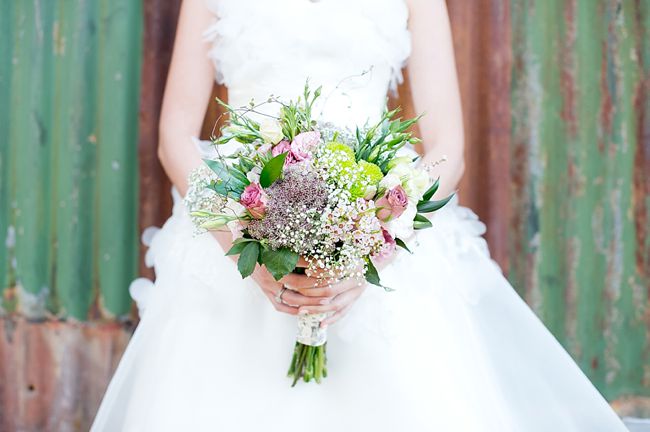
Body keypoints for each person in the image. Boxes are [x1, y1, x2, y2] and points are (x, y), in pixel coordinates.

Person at [91, 0, 629, 430]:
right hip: (240, 209)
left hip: (376, 207)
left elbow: (448, 146)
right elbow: (173, 139)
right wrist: (243, 249)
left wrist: (377, 241)